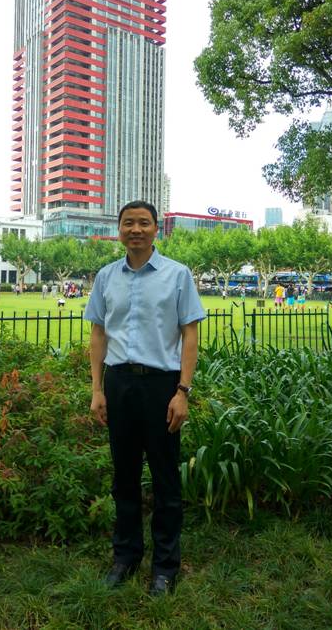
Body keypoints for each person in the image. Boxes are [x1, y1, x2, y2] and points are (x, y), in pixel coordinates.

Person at [84, 200, 205, 596]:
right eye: (128, 223)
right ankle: (126, 557)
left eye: (143, 223)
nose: (135, 229)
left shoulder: (177, 275)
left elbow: (190, 334)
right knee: (124, 478)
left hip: (161, 387)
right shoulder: (106, 277)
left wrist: (182, 391)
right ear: (119, 229)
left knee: (166, 479)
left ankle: (165, 567)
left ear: (156, 229)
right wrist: (97, 389)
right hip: (119, 384)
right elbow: (98, 334)